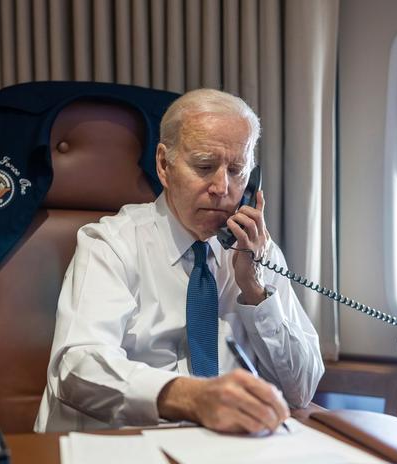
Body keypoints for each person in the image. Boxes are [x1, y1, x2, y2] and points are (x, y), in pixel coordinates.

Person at [34, 88, 324, 434]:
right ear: (164, 165)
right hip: (122, 445)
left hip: (223, 450)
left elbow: (302, 389)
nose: (222, 187)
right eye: (204, 166)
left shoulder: (256, 251)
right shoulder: (111, 244)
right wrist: (191, 398)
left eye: (236, 170)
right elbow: (78, 368)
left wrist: (256, 290)